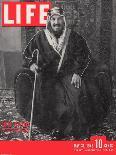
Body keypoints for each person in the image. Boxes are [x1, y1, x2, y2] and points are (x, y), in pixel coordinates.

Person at [22, 7, 93, 140]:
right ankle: (55, 128)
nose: (56, 22)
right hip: (48, 76)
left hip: (69, 74)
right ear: (49, 21)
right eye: (53, 19)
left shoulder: (73, 36)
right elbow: (26, 54)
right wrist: (31, 64)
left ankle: (74, 130)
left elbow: (85, 55)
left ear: (63, 21)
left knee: (76, 94)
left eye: (59, 19)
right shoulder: (40, 36)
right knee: (48, 97)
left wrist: (78, 73)